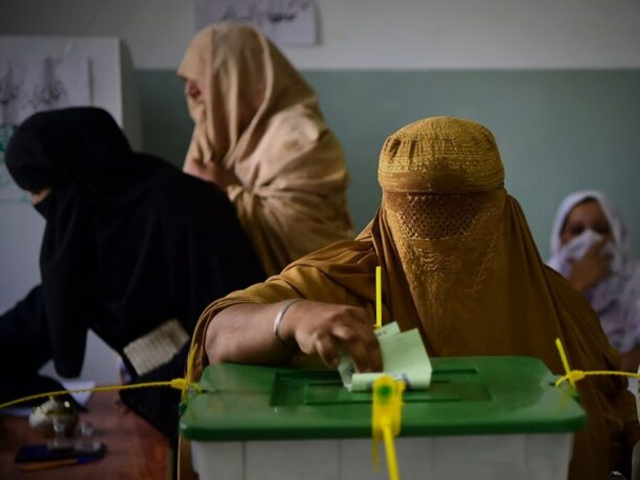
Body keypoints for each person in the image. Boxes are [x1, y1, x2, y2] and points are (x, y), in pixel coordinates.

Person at [185, 117, 639, 480]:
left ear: (500, 204)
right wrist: (293, 317)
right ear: (387, 210)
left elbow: (615, 420)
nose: (440, 246)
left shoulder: (558, 303)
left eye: (463, 217)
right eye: (417, 219)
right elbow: (220, 333)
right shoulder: (341, 283)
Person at [0, 107, 266, 444]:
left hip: (227, 417)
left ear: (74, 182)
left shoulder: (187, 208)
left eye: (39, 193)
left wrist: (148, 395)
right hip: (156, 420)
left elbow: (236, 323)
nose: (39, 206)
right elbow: (40, 317)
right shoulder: (91, 236)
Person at [178, 22, 354, 276]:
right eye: (186, 80)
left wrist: (221, 190)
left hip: (317, 293)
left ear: (237, 74)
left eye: (200, 78)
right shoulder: (214, 131)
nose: (189, 90)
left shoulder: (302, 136)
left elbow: (302, 234)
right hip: (242, 295)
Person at [548, 191, 640, 372]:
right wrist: (576, 286)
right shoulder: (544, 279)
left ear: (617, 234)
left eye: (601, 228)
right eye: (577, 230)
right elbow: (541, 340)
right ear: (561, 238)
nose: (589, 238)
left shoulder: (635, 281)